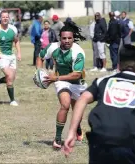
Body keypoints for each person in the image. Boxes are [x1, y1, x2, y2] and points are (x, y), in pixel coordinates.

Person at [63, 45, 135, 164]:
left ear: (118, 66)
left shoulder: (103, 81)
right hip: (127, 146)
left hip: (99, 143)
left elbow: (82, 99)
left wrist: (71, 132)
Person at [36, 21, 87, 150]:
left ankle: (78, 127)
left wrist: (55, 77)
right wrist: (39, 72)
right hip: (61, 81)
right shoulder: (53, 47)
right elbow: (40, 57)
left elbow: (76, 75)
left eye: (70, 38)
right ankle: (58, 138)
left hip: (78, 83)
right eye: (64, 38)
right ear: (60, 38)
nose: (67, 41)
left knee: (78, 113)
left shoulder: (78, 52)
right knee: (65, 105)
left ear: (73, 38)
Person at [0, 9, 21, 106]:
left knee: (11, 78)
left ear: (9, 18)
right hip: (1, 56)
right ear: (0, 18)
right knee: (10, 77)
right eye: (3, 17)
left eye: (7, 17)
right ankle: (12, 100)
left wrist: (19, 53)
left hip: (11, 56)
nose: (5, 19)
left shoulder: (13, 29)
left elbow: (17, 41)